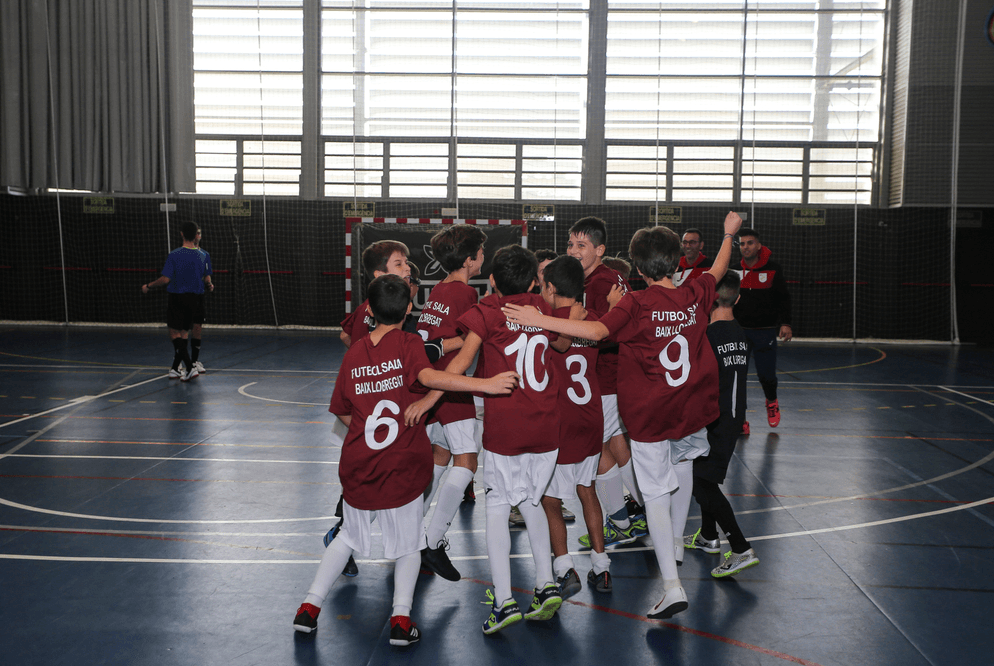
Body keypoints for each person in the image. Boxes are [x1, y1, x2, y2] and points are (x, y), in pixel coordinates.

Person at [502, 210, 743, 620]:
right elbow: (717, 270)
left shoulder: (636, 303)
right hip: (691, 410)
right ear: (676, 261)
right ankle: (677, 545)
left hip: (651, 418)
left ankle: (672, 585)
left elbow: (597, 332)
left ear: (639, 268)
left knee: (655, 496)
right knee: (683, 466)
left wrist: (537, 319)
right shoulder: (693, 292)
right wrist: (727, 235)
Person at [292, 275, 519, 645]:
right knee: (410, 545)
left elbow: (343, 412)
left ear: (369, 309)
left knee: (348, 536)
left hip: (359, 463)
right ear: (409, 309)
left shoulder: (354, 353)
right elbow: (433, 377)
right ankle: (400, 621)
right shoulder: (409, 343)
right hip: (402, 464)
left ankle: (308, 607)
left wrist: (367, 428)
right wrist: (485, 385)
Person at [434, 244, 563, 634]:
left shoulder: (488, 310)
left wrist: (428, 395)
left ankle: (504, 600)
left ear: (491, 280)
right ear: (534, 282)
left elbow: (460, 363)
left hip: (507, 426)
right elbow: (563, 343)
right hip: (547, 426)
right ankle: (546, 583)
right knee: (532, 499)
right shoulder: (543, 308)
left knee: (497, 506)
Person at [410, 225, 485, 581]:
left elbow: (435, 338)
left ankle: (411, 532)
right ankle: (432, 541)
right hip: (449, 382)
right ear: (469, 260)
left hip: (431, 380)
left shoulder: (439, 288)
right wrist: (445, 345)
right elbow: (469, 337)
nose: (483, 257)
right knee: (467, 461)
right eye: (481, 252)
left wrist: (438, 345)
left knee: (440, 455)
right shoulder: (465, 292)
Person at [566, 217, 646, 548]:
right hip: (605, 378)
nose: (573, 251)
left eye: (581, 245)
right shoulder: (593, 279)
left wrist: (583, 324)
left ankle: (623, 521)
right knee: (614, 443)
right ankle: (642, 509)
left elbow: (611, 331)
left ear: (599, 250)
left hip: (606, 379)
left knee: (594, 447)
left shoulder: (603, 283)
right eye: (570, 244)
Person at [537, 255, 612, 599]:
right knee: (587, 490)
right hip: (590, 417)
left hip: (560, 422)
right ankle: (602, 566)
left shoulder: (548, 324)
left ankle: (564, 568)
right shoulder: (592, 320)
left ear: (551, 288)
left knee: (550, 499)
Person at [684, 271, 760, 578]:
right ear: (737, 299)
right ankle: (708, 536)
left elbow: (697, 383)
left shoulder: (707, 336)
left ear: (708, 299)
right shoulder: (740, 333)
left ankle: (741, 548)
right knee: (706, 475)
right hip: (733, 416)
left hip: (714, 419)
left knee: (701, 483)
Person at [732, 228, 792, 431]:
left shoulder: (773, 269)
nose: (745, 247)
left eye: (749, 243)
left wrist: (786, 323)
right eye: (742, 243)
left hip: (765, 331)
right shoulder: (733, 270)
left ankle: (772, 401)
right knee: (737, 377)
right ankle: (740, 419)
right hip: (739, 332)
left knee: (766, 376)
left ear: (758, 246)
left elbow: (783, 298)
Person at [141, 221, 213, 382]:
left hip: (177, 297)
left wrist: (149, 286)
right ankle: (175, 368)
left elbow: (165, 279)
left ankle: (189, 367)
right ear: (195, 236)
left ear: (181, 234)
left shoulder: (174, 255)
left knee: (174, 333)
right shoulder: (202, 256)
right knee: (183, 333)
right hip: (194, 299)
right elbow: (206, 278)